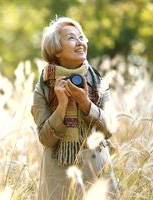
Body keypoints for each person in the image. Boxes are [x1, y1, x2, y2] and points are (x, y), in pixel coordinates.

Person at [31, 17, 118, 200]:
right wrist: (61, 107)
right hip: (58, 178)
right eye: (71, 38)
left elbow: (110, 128)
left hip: (98, 173)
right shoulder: (44, 88)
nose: (80, 42)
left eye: (81, 37)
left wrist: (85, 103)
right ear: (56, 49)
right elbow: (46, 139)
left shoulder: (99, 82)